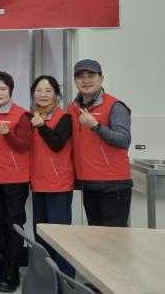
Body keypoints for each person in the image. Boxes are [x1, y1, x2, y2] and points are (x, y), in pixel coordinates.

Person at [0, 70, 32, 293]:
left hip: (15, 180)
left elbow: (24, 145)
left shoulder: (21, 115)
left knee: (14, 225)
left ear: (10, 91)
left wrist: (7, 134)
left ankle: (13, 271)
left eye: (3, 88)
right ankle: (3, 263)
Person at [68, 59, 132, 227]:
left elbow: (124, 140)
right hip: (88, 183)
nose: (86, 80)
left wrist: (96, 126)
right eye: (81, 76)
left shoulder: (115, 106)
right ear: (75, 80)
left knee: (113, 236)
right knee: (95, 235)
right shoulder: (72, 108)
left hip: (113, 184)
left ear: (101, 79)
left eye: (91, 75)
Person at [28, 75, 75, 277]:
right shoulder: (30, 117)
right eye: (39, 90)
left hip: (58, 184)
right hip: (38, 183)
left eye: (48, 90)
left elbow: (56, 144)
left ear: (56, 94)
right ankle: (45, 277)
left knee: (60, 236)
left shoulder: (64, 117)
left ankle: (65, 279)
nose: (43, 94)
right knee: (41, 235)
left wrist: (41, 126)